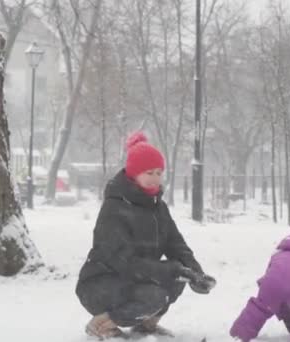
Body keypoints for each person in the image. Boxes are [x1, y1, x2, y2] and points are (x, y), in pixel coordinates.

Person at [76, 132, 216, 339]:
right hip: (101, 283)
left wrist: (196, 273)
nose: (155, 179)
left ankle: (145, 325)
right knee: (157, 293)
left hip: (134, 278)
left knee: (178, 278)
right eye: (149, 172)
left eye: (159, 173)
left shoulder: (158, 208)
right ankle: (100, 326)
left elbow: (176, 245)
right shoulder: (115, 208)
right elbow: (123, 261)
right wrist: (173, 269)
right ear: (134, 173)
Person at [230, 231, 290, 341]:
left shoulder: (277, 256)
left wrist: (268, 297)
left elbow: (271, 277)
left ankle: (239, 335)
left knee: (260, 307)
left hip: (272, 288)